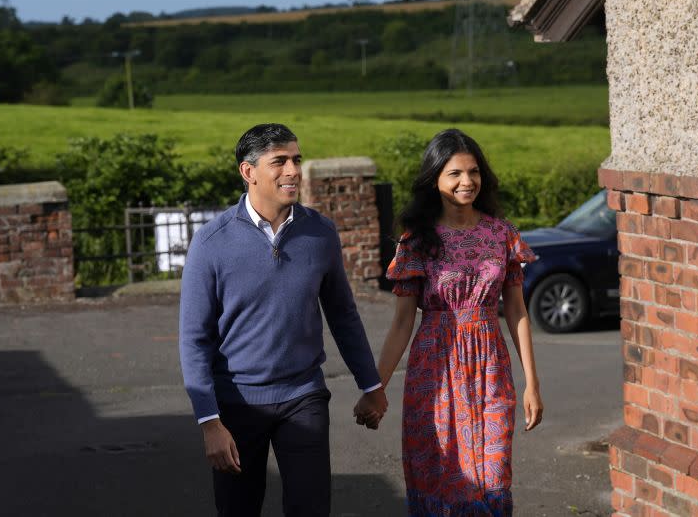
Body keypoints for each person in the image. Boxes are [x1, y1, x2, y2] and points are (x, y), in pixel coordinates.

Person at [179, 123, 388, 517]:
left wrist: (371, 384)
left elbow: (343, 314)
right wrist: (209, 421)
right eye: (279, 161)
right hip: (236, 403)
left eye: (296, 159)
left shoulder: (320, 232)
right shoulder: (211, 242)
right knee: (238, 509)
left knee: (310, 508)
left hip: (303, 396)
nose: (292, 170)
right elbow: (194, 338)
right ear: (248, 172)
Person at [372, 128, 544, 515]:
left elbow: (516, 310)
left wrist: (532, 382)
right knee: (442, 472)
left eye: (474, 172)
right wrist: (375, 387)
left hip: (491, 367)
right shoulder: (417, 239)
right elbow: (401, 324)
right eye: (455, 174)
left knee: (493, 473)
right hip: (434, 371)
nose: (467, 181)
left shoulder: (502, 233)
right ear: (435, 180)